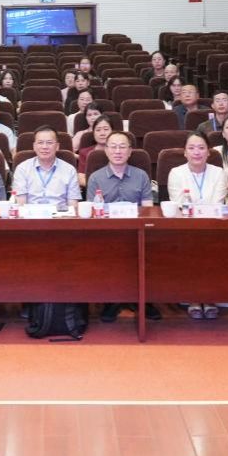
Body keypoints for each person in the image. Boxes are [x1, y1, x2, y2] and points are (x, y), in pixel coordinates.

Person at [88, 132, 157, 322]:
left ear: (130, 151)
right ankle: (112, 299)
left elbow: (148, 208)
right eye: (113, 146)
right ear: (106, 150)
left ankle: (143, 299)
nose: (117, 151)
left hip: (137, 231)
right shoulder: (95, 178)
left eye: (122, 146)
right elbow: (94, 211)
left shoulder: (141, 175)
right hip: (107, 234)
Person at [166, 132, 228, 320]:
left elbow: (217, 203)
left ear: (208, 152)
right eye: (192, 148)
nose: (196, 152)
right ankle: (193, 297)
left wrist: (197, 206)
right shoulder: (176, 173)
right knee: (190, 246)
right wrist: (201, 206)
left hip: (213, 227)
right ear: (185, 152)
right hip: (184, 228)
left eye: (201, 148)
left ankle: (209, 298)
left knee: (213, 247)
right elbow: (179, 204)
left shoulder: (218, 172)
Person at [11, 126, 81, 207]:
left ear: (57, 146)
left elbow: (73, 206)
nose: (44, 147)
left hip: (60, 213)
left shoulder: (69, 170)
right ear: (34, 146)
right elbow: (20, 205)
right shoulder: (22, 169)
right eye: (40, 143)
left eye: (49, 143)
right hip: (31, 214)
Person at [77, 114, 114, 186]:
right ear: (93, 133)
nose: (102, 133)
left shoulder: (118, 151)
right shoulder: (84, 152)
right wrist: (99, 187)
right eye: (98, 130)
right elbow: (81, 178)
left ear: (112, 132)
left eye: (106, 129)